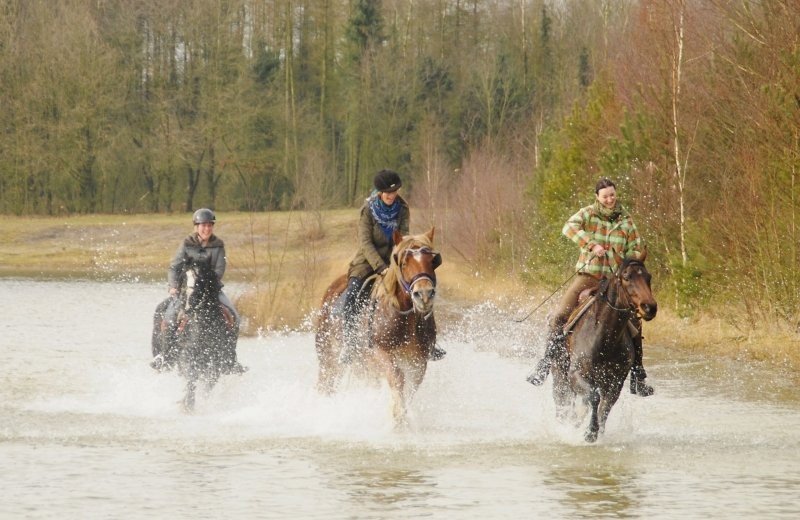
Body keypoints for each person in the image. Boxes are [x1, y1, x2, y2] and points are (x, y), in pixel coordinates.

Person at [526, 178, 654, 396]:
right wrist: (592, 245)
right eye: (605, 196)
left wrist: (626, 262)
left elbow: (635, 247)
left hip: (615, 282)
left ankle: (637, 375)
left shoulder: (626, 220)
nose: (609, 199)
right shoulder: (587, 214)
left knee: (634, 322)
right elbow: (569, 227)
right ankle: (545, 364)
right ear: (597, 197)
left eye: (612, 195)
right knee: (559, 316)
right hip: (588, 276)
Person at [339, 169, 446, 363]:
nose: (391, 195)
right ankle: (350, 342)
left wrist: (399, 262)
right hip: (368, 260)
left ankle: (430, 341)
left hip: (396, 258)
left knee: (421, 289)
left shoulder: (402, 208)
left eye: (394, 191)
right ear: (380, 192)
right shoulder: (368, 210)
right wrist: (381, 267)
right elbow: (365, 243)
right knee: (353, 292)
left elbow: (402, 239)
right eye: (388, 192)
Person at [150, 208, 247, 374]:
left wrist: (207, 284)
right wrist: (173, 285)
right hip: (187, 290)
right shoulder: (186, 244)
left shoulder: (218, 245)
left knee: (235, 317)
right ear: (196, 226)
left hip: (212, 290)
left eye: (209, 225)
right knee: (169, 316)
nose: (206, 229)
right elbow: (174, 267)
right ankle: (163, 356)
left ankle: (231, 360)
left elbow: (219, 270)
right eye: (203, 225)